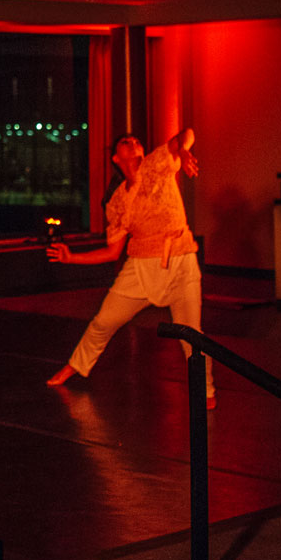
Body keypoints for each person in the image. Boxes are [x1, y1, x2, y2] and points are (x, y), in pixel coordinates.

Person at [46, 129, 215, 407]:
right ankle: (75, 365)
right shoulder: (117, 202)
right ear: (116, 158)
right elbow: (113, 252)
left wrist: (183, 151)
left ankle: (206, 390)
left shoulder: (157, 163)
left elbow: (187, 134)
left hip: (181, 259)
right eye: (126, 142)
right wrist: (71, 257)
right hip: (140, 267)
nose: (134, 143)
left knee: (191, 332)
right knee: (103, 321)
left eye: (137, 140)